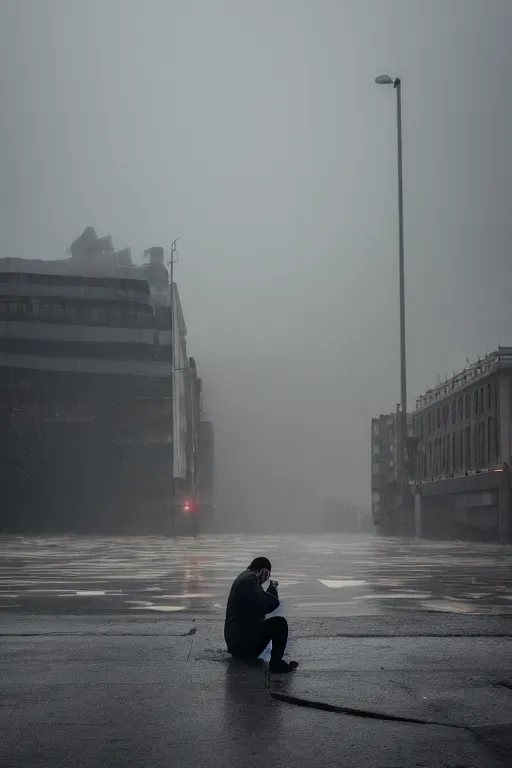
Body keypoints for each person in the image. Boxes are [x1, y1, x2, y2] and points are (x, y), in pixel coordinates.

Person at [224, 556, 298, 674]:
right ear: (264, 571)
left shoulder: (246, 579)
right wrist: (273, 590)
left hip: (238, 642)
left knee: (274, 623)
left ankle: (276, 662)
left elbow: (259, 606)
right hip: (241, 646)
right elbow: (270, 604)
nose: (266, 578)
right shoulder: (248, 581)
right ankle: (276, 663)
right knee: (279, 623)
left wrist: (268, 593)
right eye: (267, 575)